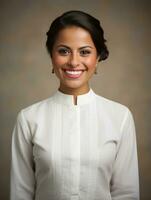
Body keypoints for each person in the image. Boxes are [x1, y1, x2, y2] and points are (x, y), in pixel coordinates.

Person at [10, 10, 139, 200]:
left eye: (85, 52)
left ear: (98, 58)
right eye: (64, 51)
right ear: (51, 56)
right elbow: (20, 193)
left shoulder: (120, 117)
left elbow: (126, 193)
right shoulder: (29, 118)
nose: (73, 62)